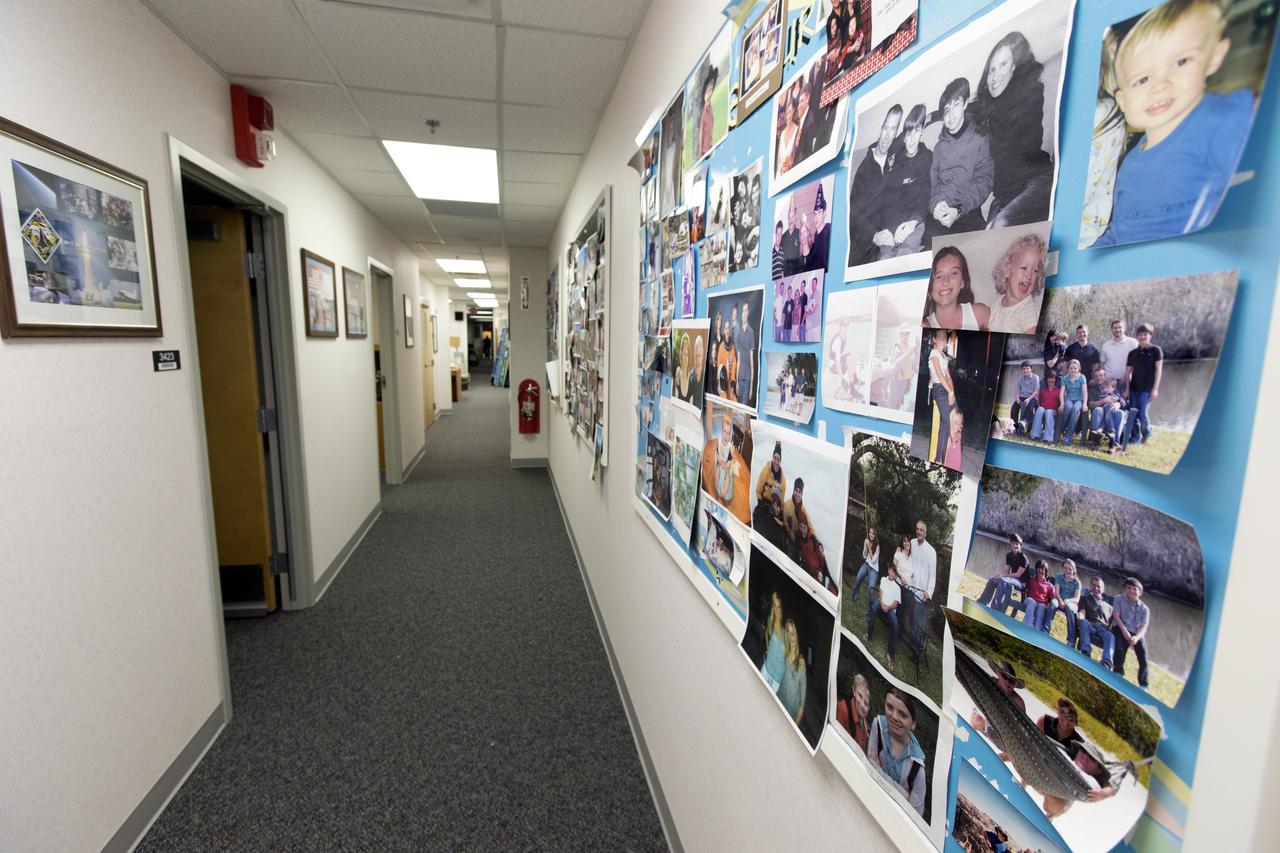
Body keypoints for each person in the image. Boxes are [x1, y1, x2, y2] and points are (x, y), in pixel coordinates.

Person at [1092, 0, 1250, 248]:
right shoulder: (1129, 166)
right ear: (1122, 101)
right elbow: (1120, 234)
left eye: (1181, 62)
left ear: (1214, 58)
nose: (1161, 85)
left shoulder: (1224, 119)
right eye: (1142, 79)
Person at [972, 31, 1053, 229]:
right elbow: (958, 108)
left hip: (1034, 184)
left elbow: (1024, 148)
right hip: (1003, 196)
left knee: (1001, 223)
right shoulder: (986, 107)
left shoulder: (1031, 96)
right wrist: (932, 116)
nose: (995, 76)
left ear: (1014, 68)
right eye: (991, 70)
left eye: (1003, 65)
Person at [928, 78, 993, 239]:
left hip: (967, 211)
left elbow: (984, 181)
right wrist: (934, 206)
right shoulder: (938, 149)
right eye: (946, 110)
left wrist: (957, 210)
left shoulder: (980, 138)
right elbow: (932, 186)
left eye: (956, 105)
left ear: (965, 104)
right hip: (939, 216)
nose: (951, 115)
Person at [848, 105, 903, 266]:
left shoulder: (896, 156)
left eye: (893, 129)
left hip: (889, 231)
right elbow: (853, 216)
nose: (887, 136)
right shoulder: (864, 170)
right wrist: (874, 235)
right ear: (879, 130)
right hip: (865, 238)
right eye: (885, 128)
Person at [878, 104, 933, 259]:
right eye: (908, 134)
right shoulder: (895, 160)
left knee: (906, 255)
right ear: (903, 136)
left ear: (922, 131)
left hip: (915, 221)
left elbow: (925, 196)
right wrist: (893, 228)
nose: (911, 139)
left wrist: (912, 223)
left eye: (916, 132)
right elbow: (889, 201)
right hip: (892, 223)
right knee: (885, 259)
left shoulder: (927, 157)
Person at [867, 688, 928, 816]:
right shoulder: (877, 725)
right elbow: (869, 767)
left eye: (903, 715)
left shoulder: (917, 769)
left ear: (913, 724)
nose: (894, 717)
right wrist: (905, 795)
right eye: (889, 707)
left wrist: (879, 770)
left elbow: (914, 815)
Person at [988, 233, 1047, 334]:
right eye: (1024, 268)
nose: (1029, 276)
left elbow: (1031, 341)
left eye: (1035, 271)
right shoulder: (997, 304)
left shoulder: (1028, 310)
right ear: (1007, 270)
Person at [967, 660, 1026, 759]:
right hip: (985, 717)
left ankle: (1002, 757)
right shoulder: (988, 682)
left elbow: (1022, 731)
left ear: (1015, 684)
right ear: (998, 674)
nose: (1007, 682)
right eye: (1004, 677)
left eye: (1011, 681)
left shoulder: (1019, 702)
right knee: (977, 719)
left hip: (1004, 730)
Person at [1043, 740, 1118, 818]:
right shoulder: (1062, 753)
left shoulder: (1090, 782)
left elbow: (1112, 786)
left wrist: (1105, 793)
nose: (1085, 756)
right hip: (1039, 777)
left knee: (1058, 803)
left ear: (1098, 770)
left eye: (1092, 758)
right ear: (1078, 751)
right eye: (1083, 751)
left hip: (1054, 802)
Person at [923, 247, 990, 331]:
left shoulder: (980, 314)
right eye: (939, 276)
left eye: (954, 273)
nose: (946, 281)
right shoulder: (924, 326)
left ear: (962, 282)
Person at [701, 410, 750, 522]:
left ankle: (723, 491)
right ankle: (717, 489)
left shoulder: (729, 448)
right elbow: (717, 455)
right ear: (721, 431)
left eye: (728, 433)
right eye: (724, 432)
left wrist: (727, 463)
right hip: (720, 469)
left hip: (727, 473)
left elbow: (730, 463)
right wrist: (720, 462)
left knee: (728, 476)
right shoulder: (719, 442)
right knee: (717, 470)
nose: (726, 435)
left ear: (731, 434)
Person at [1123, 323, 1163, 449]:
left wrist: (1155, 389)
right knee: (1132, 413)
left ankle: (1146, 433)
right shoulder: (1132, 353)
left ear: (1150, 335)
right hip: (1134, 388)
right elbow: (1128, 373)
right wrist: (1127, 390)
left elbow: (1158, 371)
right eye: (1140, 335)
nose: (1142, 337)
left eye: (1145, 334)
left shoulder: (1156, 351)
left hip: (1148, 389)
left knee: (1143, 414)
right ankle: (1134, 437)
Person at [905, 520, 937, 665]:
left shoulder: (931, 551)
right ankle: (912, 644)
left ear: (926, 533)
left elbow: (933, 575)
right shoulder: (912, 542)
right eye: (917, 529)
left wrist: (929, 591)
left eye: (921, 530)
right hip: (911, 587)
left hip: (921, 592)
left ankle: (917, 651)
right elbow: (908, 558)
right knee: (911, 618)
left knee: (918, 622)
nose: (918, 532)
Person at [1111, 576, 1151, 688]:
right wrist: (1124, 632)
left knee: (1143, 655)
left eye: (1134, 589)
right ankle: (1118, 673)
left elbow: (1143, 627)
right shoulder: (1119, 599)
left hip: (1136, 632)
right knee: (1120, 647)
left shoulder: (1145, 609)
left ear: (1140, 592)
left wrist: (1136, 638)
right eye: (1128, 588)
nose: (1131, 591)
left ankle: (1143, 684)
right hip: (1120, 627)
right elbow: (1116, 616)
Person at [926, 329, 957, 464]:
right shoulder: (934, 354)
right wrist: (948, 392)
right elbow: (939, 374)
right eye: (941, 338)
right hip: (938, 389)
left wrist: (952, 392)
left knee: (951, 420)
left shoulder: (944, 356)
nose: (944, 340)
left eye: (945, 338)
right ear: (934, 339)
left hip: (946, 389)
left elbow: (948, 376)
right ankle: (939, 458)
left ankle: (944, 456)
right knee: (946, 422)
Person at [864, 563, 903, 669]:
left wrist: (888, 608)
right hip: (881, 603)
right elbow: (880, 592)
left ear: (895, 575)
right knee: (873, 609)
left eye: (893, 572)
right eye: (890, 570)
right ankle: (869, 634)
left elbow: (896, 603)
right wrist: (881, 603)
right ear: (888, 571)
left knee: (896, 627)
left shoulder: (897, 587)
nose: (891, 573)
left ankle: (890, 653)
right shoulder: (883, 579)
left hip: (890, 609)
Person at [979, 532, 1029, 611]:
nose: (1015, 545)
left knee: (1003, 580)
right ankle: (982, 602)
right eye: (1013, 543)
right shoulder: (1009, 555)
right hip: (1012, 578)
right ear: (1010, 543)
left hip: (1021, 582)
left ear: (1020, 545)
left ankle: (995, 607)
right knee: (992, 579)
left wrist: (1003, 577)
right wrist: (999, 575)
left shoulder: (1024, 558)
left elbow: (1018, 574)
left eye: (1017, 544)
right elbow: (1006, 570)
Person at [1076, 576, 1115, 668]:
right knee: (1084, 622)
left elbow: (1114, 622)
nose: (1096, 588)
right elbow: (1082, 612)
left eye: (1098, 586)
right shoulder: (1085, 598)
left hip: (1103, 629)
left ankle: (1106, 662)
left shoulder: (1109, 607)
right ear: (1090, 586)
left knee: (1110, 636)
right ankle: (1086, 651)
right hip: (1089, 624)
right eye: (1093, 585)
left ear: (1103, 589)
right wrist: (1080, 620)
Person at [1043, 559, 1083, 645]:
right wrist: (1060, 601)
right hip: (1059, 599)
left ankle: (1071, 640)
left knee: (1070, 609)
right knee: (1053, 603)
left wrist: (1067, 601)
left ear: (1074, 570)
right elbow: (1056, 592)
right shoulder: (1059, 576)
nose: (1067, 571)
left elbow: (1077, 599)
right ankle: (1045, 630)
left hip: (1071, 603)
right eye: (1065, 568)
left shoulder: (1077, 583)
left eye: (1070, 569)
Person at [1087, 364, 1125, 452]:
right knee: (1099, 409)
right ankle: (1096, 442)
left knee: (1121, 413)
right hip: (1099, 413)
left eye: (1101, 375)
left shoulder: (1112, 388)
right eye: (1096, 376)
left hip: (1112, 413)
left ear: (1104, 376)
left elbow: (1122, 402)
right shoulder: (1093, 390)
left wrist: (1118, 404)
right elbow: (1091, 405)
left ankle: (1114, 444)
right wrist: (1104, 401)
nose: (1098, 378)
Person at [778, 619, 808, 724]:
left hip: (790, 715)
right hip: (778, 702)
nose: (791, 636)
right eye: (789, 633)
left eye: (793, 633)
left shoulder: (801, 665)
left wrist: (795, 726)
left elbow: (802, 704)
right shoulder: (784, 655)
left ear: (796, 635)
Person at [835, 673, 872, 752]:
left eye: (865, 702)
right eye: (860, 695)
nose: (862, 704)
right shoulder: (843, 709)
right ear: (854, 691)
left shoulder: (867, 726)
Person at [1100, 319, 1138, 396]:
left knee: (1125, 405)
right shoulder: (1106, 346)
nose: (1118, 330)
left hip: (1126, 381)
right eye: (1115, 328)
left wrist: (1127, 376)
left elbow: (1136, 363)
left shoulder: (1133, 343)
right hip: (1109, 382)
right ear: (1111, 330)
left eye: (1120, 327)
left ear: (1124, 328)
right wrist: (1106, 379)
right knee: (1109, 405)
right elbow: (1102, 363)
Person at [1058, 359, 1088, 446]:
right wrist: (1062, 403)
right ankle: (1061, 429)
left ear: (1079, 369)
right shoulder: (1065, 378)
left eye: (1075, 368)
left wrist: (1085, 404)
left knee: (1075, 409)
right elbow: (1062, 392)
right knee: (1067, 407)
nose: (1073, 370)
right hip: (1069, 398)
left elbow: (1084, 392)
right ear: (1068, 369)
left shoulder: (1082, 377)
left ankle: (1069, 435)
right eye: (1071, 368)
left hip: (1079, 399)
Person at [1020, 560, 1056, 631]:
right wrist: (1023, 598)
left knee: (1041, 606)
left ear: (1046, 571)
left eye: (1043, 569)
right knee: (1032, 603)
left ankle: (1037, 630)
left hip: (1041, 604)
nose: (1040, 571)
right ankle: (1026, 626)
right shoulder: (1031, 580)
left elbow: (1053, 598)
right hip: (1030, 601)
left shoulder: (1049, 585)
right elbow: (1024, 588)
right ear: (1036, 569)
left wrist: (1050, 606)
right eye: (1039, 568)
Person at [761, 592, 786, 691]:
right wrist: (767, 648)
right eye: (774, 605)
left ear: (781, 608)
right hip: (767, 667)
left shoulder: (785, 632)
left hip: (777, 676)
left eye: (778, 606)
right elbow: (766, 632)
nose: (776, 609)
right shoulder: (770, 621)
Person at [850, 527, 880, 607]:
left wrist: (869, 547)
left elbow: (873, 561)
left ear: (875, 535)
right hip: (866, 564)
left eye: (873, 533)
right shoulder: (866, 541)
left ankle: (869, 611)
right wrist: (866, 546)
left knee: (871, 590)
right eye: (870, 532)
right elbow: (864, 556)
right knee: (858, 579)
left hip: (874, 569)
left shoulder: (877, 546)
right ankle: (853, 598)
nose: (871, 534)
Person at [1029, 371, 1062, 443]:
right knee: (1040, 409)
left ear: (1055, 379)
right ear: (1046, 380)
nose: (1051, 380)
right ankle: (1035, 435)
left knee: (1048, 412)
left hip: (1053, 411)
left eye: (1053, 378)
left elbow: (1061, 403)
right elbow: (1040, 402)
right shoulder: (1043, 391)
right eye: (1049, 378)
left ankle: (1048, 438)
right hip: (1043, 409)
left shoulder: (1059, 391)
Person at [1010, 361, 1041, 435]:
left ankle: (1024, 423)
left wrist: (1029, 398)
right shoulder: (1020, 379)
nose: (1026, 370)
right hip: (1022, 397)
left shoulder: (1035, 377)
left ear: (1031, 369)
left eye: (1027, 368)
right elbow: (1017, 389)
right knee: (1014, 407)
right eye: (1024, 369)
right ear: (1021, 370)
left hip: (1032, 398)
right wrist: (1017, 397)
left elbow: (1036, 391)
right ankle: (1015, 427)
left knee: (1029, 405)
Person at [783, 478, 812, 553]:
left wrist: (816, 541)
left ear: (802, 494)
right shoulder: (787, 505)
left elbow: (809, 525)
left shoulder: (803, 510)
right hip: (789, 537)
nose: (797, 494)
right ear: (793, 491)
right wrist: (792, 536)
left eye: (799, 492)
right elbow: (785, 524)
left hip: (800, 537)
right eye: (796, 490)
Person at [736, 301, 756, 406]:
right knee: (738, 412)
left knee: (743, 410)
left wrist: (752, 386)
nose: (744, 313)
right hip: (740, 379)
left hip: (747, 379)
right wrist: (736, 383)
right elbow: (738, 361)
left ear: (748, 312)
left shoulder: (751, 332)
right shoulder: (739, 334)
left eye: (745, 310)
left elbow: (752, 363)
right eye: (742, 311)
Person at [756, 441, 787, 507]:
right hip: (763, 502)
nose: (776, 462)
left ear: (780, 461)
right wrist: (760, 502)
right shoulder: (765, 471)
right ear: (772, 457)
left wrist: (779, 511)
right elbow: (758, 490)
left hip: (774, 507)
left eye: (778, 459)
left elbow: (781, 501)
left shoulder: (782, 481)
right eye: (775, 458)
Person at [698, 67, 718, 160]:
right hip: (705, 154)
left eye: (711, 90)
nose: (709, 94)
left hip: (710, 150)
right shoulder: (704, 113)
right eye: (707, 91)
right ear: (703, 93)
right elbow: (701, 136)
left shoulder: (710, 109)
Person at [674, 333, 692, 400]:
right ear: (680, 354)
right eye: (683, 353)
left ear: (689, 356)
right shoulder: (678, 372)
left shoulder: (691, 379)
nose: (685, 358)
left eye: (687, 354)